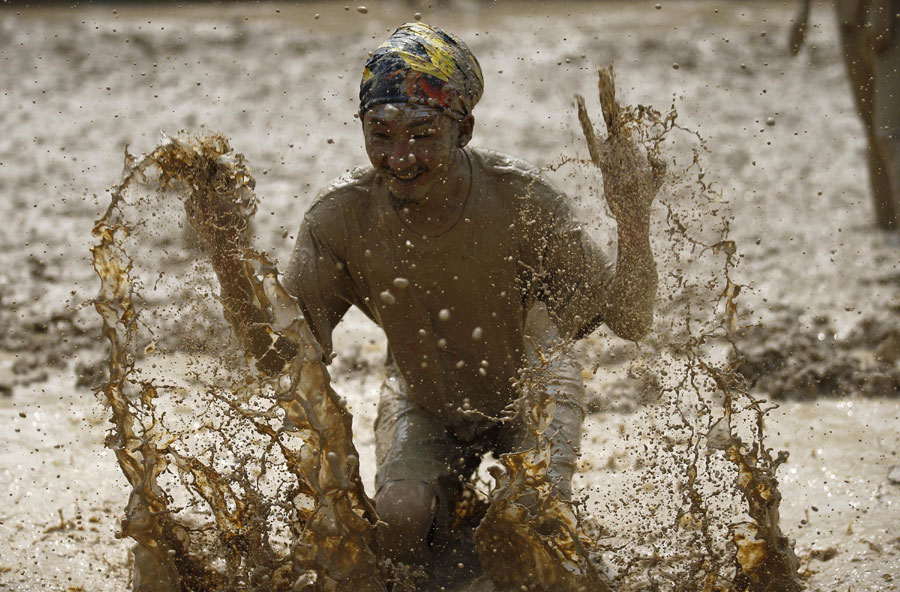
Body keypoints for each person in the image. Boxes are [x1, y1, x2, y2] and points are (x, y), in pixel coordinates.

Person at [191, 22, 660, 582]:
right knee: (400, 522)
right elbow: (279, 357)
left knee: (530, 534)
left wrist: (632, 216)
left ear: (463, 129)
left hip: (533, 391)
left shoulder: (521, 201)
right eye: (381, 133)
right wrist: (224, 253)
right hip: (424, 394)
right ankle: (452, 513)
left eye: (422, 133)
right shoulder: (341, 218)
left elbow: (630, 319)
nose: (400, 157)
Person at [789, 0, 900, 234]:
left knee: (889, 135)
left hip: (889, 17)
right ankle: (887, 233)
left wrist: (881, 11)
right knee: (871, 128)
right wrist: (803, 9)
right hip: (849, 16)